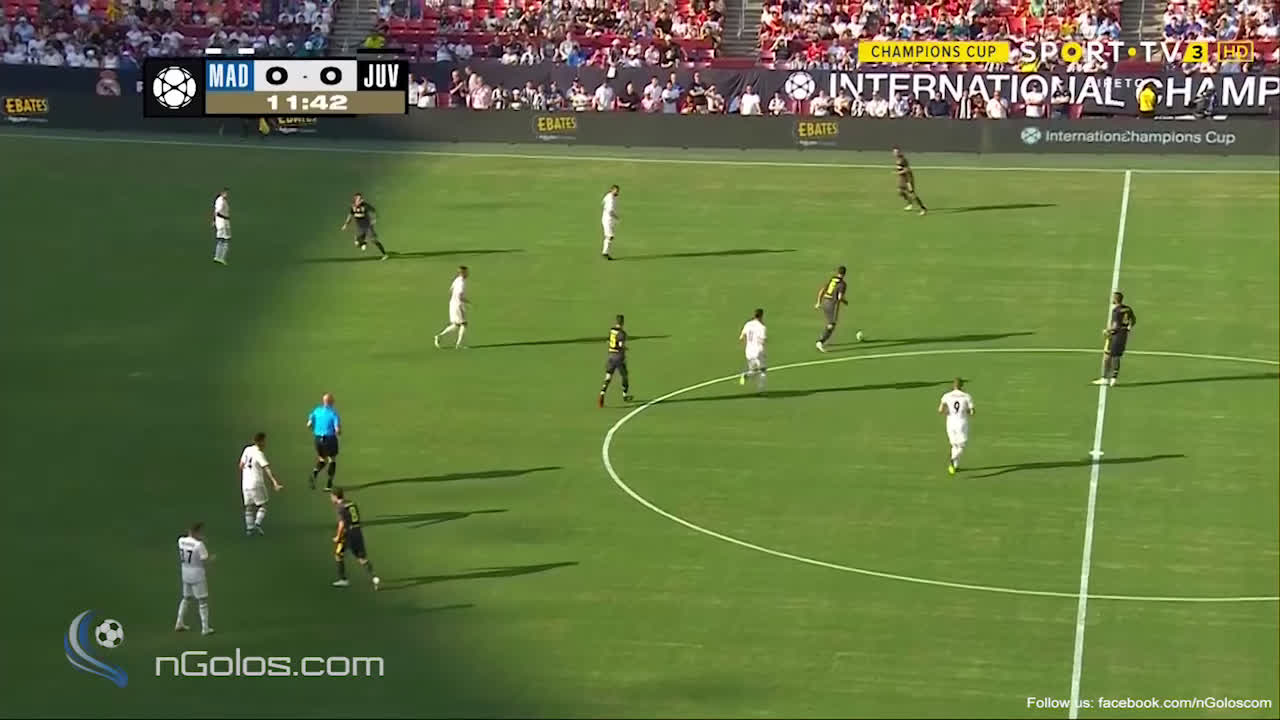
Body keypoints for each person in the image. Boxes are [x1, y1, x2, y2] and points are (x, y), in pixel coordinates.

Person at [330, 488, 379, 590]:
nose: (331, 499)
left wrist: (338, 537)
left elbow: (341, 524)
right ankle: (374, 577)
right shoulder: (351, 503)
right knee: (362, 558)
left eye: (331, 496)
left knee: (338, 554)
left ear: (335, 496)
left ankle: (343, 579)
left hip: (348, 534)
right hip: (357, 532)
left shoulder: (340, 507)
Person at [239, 432, 283, 535]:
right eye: (264, 441)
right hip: (257, 482)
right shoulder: (259, 454)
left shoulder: (247, 449)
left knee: (249, 506)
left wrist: (247, 472)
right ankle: (257, 523)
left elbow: (240, 465)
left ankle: (249, 529)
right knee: (263, 505)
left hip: (245, 484)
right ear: (261, 442)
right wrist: (275, 482)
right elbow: (266, 469)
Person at [175, 522, 214, 635]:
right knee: (202, 601)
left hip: (185, 573)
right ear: (197, 532)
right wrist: (212, 559)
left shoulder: (181, 540)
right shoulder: (199, 545)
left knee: (186, 598)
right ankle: (205, 628)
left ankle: (179, 622)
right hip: (197, 574)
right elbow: (204, 560)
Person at [1094, 291, 1137, 386]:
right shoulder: (1128, 309)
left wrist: (1107, 331)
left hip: (1116, 335)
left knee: (1107, 356)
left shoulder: (1116, 311)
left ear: (1115, 299)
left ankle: (1105, 378)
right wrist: (1128, 327)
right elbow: (1133, 320)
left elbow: (1115, 326)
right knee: (1117, 356)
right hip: (1124, 335)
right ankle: (1114, 378)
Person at [937, 378, 975, 474]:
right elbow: (972, 412)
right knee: (962, 445)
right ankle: (953, 459)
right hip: (962, 422)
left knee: (954, 445)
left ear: (953, 386)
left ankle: (954, 466)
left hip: (950, 422)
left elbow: (940, 410)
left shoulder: (946, 396)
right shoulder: (967, 396)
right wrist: (967, 411)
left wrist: (948, 412)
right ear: (962, 386)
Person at [307, 393, 342, 490]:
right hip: (330, 439)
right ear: (331, 402)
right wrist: (339, 432)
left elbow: (309, 424)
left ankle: (314, 474)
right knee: (332, 460)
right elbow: (337, 429)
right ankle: (328, 484)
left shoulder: (317, 410)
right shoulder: (333, 413)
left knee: (322, 460)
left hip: (318, 439)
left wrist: (317, 429)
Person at [340, 192, 388, 260]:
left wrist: (374, 219)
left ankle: (385, 254)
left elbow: (373, 210)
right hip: (360, 228)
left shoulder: (365, 206)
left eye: (361, 199)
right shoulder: (353, 208)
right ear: (355, 200)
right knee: (357, 243)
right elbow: (350, 216)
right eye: (358, 199)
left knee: (373, 240)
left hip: (368, 226)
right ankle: (364, 243)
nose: (360, 200)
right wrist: (345, 224)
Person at [598, 314, 632, 407]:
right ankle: (625, 395)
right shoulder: (622, 333)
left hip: (611, 356)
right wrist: (625, 348)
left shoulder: (612, 330)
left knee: (608, 376)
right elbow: (620, 345)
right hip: (619, 357)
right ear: (623, 322)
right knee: (624, 375)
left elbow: (609, 341)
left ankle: (602, 392)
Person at [814, 265, 850, 352]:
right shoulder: (842, 284)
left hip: (825, 302)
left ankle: (824, 337)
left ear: (837, 272)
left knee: (830, 323)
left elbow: (822, 290)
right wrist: (845, 302)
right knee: (832, 324)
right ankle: (820, 342)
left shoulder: (832, 279)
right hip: (831, 305)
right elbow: (839, 297)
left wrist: (818, 302)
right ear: (844, 274)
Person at [434, 266, 470, 349]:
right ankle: (459, 344)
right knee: (464, 324)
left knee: (456, 324)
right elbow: (460, 296)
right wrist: (468, 302)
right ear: (463, 273)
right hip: (458, 304)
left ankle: (440, 336)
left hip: (452, 304)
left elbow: (451, 290)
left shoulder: (456, 280)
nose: (468, 274)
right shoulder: (462, 283)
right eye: (466, 272)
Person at [738, 308, 767, 392]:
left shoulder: (748, 324)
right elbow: (762, 340)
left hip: (749, 351)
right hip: (758, 351)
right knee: (762, 370)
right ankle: (761, 390)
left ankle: (746, 375)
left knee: (754, 371)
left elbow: (741, 337)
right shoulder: (762, 327)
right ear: (761, 316)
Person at [893, 146, 927, 216]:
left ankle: (923, 209)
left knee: (912, 194)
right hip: (903, 179)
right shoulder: (897, 159)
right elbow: (900, 168)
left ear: (900, 152)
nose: (895, 153)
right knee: (900, 192)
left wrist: (898, 173)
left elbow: (907, 170)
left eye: (897, 152)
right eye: (894, 152)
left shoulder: (903, 160)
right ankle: (910, 203)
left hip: (908, 179)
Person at [211, 188, 231, 265]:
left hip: (223, 221)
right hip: (222, 222)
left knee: (222, 240)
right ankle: (221, 257)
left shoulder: (222, 200)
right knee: (224, 240)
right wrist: (214, 220)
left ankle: (218, 256)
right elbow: (217, 211)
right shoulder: (220, 200)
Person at [601, 184, 619, 260]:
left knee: (609, 236)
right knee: (610, 236)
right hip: (607, 220)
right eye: (615, 191)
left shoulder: (609, 195)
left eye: (617, 191)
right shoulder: (610, 199)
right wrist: (616, 217)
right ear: (612, 190)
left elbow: (603, 202)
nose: (617, 192)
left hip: (609, 220)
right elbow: (610, 211)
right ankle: (605, 252)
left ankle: (605, 252)